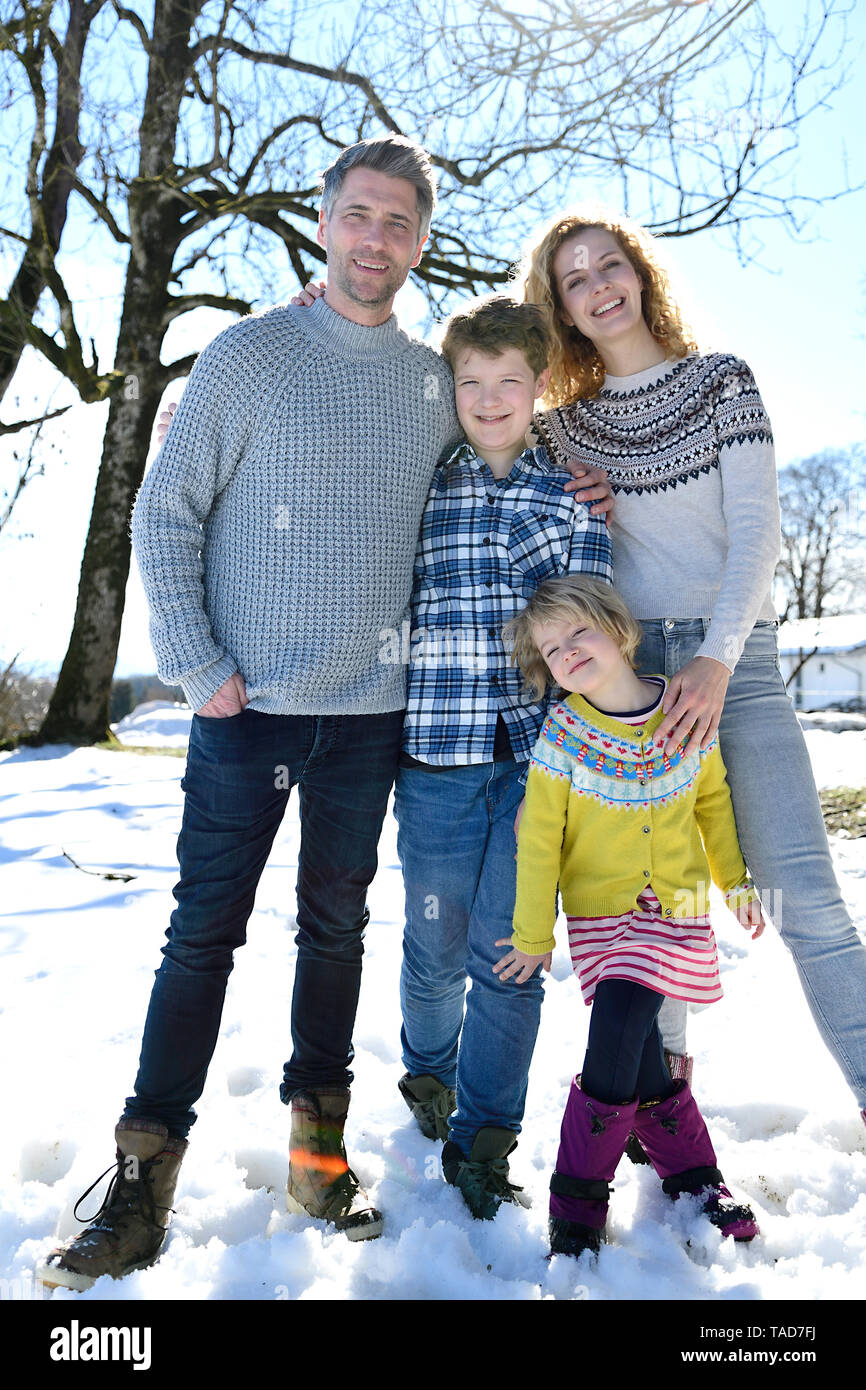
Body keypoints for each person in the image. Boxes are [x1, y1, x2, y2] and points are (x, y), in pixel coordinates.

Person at [38, 139, 613, 1292]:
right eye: (357, 215)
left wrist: (574, 463)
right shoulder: (250, 355)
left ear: (417, 239)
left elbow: (502, 432)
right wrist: (195, 659)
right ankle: (141, 1179)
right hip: (245, 708)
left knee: (336, 934)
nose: (374, 240)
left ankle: (316, 1155)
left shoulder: (426, 381)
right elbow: (167, 514)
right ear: (323, 219)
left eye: (399, 223)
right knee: (201, 934)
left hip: (370, 724)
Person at [516, 207, 866, 1131]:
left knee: (805, 895)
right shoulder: (564, 432)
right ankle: (664, 1119)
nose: (598, 286)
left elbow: (758, 530)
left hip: (732, 662)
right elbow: (470, 403)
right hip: (623, 676)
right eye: (574, 280)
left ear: (640, 273)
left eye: (609, 265)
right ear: (562, 312)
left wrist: (715, 659)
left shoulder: (723, 383)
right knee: (655, 906)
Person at [393, 295, 612, 1220]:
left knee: (512, 950)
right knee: (437, 948)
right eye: (470, 382)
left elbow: (595, 629)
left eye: (509, 383)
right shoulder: (419, 483)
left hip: (536, 761)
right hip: (436, 756)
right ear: (452, 387)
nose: (489, 399)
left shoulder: (568, 496)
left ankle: (486, 1137)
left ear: (540, 389)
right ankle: (428, 1070)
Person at [498, 574, 764, 1257]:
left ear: (618, 630)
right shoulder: (563, 735)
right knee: (634, 1046)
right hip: (599, 918)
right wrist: (533, 934)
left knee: (622, 1026)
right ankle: (692, 1182)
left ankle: (584, 1203)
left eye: (578, 632)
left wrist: (734, 881)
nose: (567, 651)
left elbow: (712, 802)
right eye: (551, 649)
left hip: (673, 911)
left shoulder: (681, 714)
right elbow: (539, 841)